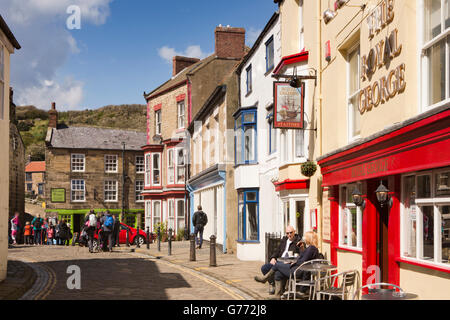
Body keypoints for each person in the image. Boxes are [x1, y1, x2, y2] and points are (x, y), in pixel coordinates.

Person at [254, 231, 320, 300]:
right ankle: (277, 296)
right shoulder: (311, 248)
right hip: (299, 269)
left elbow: (302, 261)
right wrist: (301, 248)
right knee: (278, 273)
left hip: (298, 271)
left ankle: (265, 278)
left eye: (306, 237)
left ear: (309, 238)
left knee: (277, 265)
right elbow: (303, 257)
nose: (304, 238)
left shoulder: (311, 248)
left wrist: (293, 263)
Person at [256, 226, 302, 295]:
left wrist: (294, 260)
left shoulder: (298, 241)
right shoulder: (284, 240)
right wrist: (273, 258)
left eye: (291, 232)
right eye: (287, 233)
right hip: (279, 261)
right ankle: (273, 285)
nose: (289, 234)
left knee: (277, 270)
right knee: (264, 268)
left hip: (288, 263)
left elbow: (300, 255)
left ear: (294, 232)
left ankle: (272, 285)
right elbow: (277, 251)